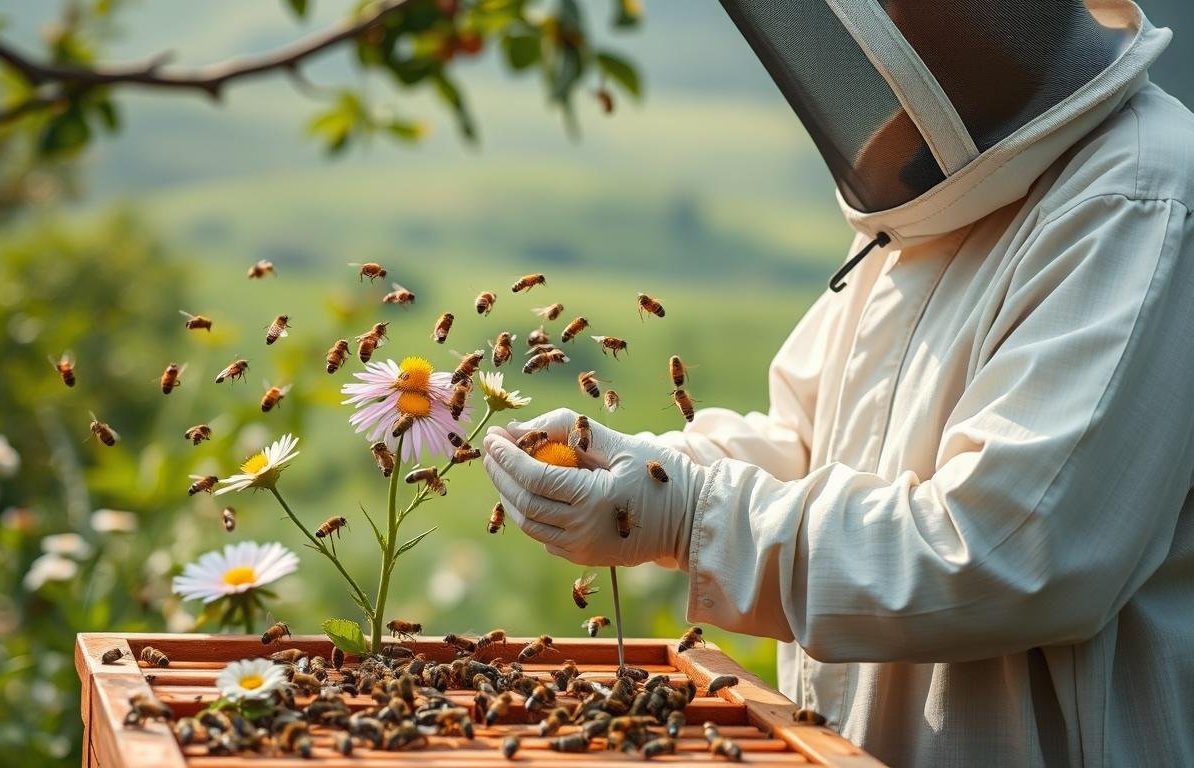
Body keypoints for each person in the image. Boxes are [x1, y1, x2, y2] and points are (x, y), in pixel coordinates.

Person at [482, 1, 1194, 765]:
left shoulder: (1139, 197)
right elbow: (806, 446)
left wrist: (687, 513)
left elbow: (1008, 550)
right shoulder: (936, 183)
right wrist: (639, 468)